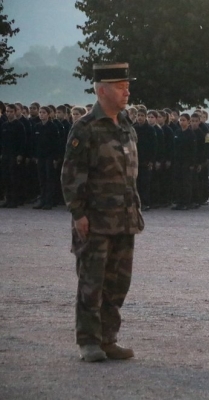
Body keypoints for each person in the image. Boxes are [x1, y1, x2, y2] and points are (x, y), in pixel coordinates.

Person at [61, 62, 144, 362]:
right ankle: (89, 341)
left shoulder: (125, 123)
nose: (127, 91)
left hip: (124, 219)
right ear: (102, 90)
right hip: (95, 220)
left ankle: (108, 338)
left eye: (127, 86)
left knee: (118, 284)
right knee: (92, 283)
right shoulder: (85, 127)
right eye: (121, 87)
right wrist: (78, 213)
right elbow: (71, 174)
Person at [32, 106, 61, 210]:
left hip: (50, 157)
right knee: (42, 179)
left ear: (48, 114)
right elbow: (34, 143)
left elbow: (56, 143)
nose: (41, 114)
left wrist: (55, 158)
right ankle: (42, 199)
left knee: (49, 179)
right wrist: (35, 156)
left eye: (43, 112)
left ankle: (49, 201)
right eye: (40, 112)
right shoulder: (37, 126)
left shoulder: (53, 127)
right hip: (40, 157)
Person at [0, 104, 27, 208]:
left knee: (14, 178)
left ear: (15, 112)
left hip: (15, 155)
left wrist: (20, 154)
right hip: (5, 154)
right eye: (7, 111)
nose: (9, 113)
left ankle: (15, 200)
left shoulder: (19, 125)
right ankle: (8, 199)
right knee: (5, 177)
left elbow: (22, 141)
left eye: (11, 111)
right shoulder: (4, 125)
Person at [133, 108, 157, 211]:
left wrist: (151, 160)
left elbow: (154, 146)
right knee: (136, 183)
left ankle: (146, 203)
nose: (140, 118)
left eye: (142, 116)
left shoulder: (150, 130)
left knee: (145, 183)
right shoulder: (133, 128)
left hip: (146, 161)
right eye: (138, 115)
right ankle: (136, 203)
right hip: (135, 160)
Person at [171, 113, 196, 210]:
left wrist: (192, 163)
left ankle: (186, 202)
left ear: (188, 121)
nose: (182, 122)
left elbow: (193, 150)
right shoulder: (177, 132)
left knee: (186, 183)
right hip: (178, 161)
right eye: (180, 120)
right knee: (177, 182)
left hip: (187, 162)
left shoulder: (191, 134)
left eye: (184, 120)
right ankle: (179, 201)